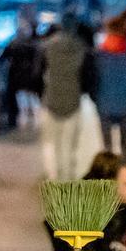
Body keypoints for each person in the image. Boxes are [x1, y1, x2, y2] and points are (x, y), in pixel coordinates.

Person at [41, 14, 90, 181]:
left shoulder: (48, 46)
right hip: (73, 99)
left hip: (52, 98)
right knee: (70, 143)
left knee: (52, 143)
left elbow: (39, 72)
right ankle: (68, 175)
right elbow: (86, 75)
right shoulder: (80, 47)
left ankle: (54, 176)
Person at [94, 19, 126, 159]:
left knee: (107, 146)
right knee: (125, 145)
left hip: (104, 105)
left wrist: (97, 97)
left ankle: (109, 171)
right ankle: (124, 169)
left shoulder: (100, 54)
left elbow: (93, 79)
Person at [0, 19, 44, 130]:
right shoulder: (34, 46)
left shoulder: (13, 44)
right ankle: (33, 120)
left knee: (13, 100)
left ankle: (13, 121)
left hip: (15, 76)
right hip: (30, 77)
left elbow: (1, 60)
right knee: (31, 99)